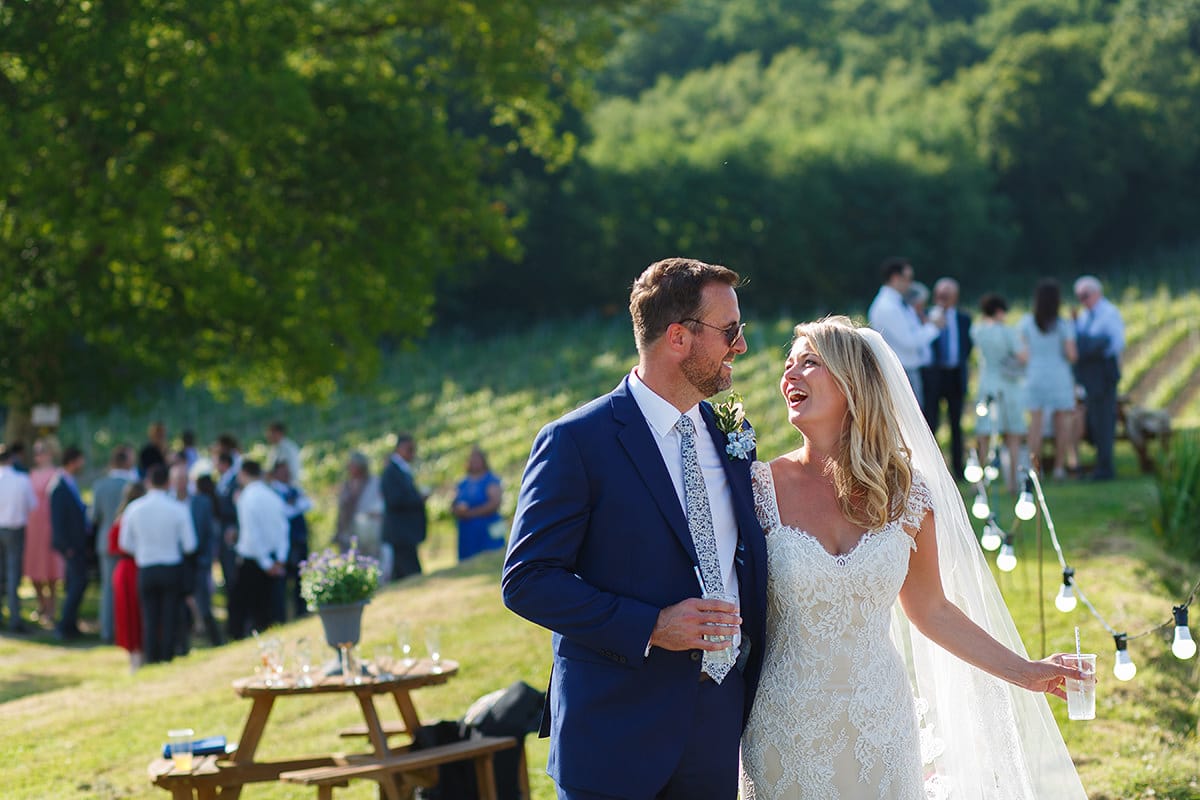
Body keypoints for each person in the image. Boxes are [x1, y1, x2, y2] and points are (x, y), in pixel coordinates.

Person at [739, 315, 1087, 799]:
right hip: (785, 730)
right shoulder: (757, 489)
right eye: (789, 365)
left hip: (881, 728)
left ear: (853, 384)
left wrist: (1026, 672)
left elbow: (932, 611)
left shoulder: (905, 496)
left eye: (810, 363)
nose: (789, 376)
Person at [503, 257, 769, 800]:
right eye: (730, 330)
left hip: (715, 727)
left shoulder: (732, 433)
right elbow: (527, 579)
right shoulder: (577, 442)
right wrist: (651, 625)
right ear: (678, 337)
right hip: (613, 734)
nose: (740, 346)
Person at [119, 463, 196, 663]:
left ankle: (152, 656)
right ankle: (167, 655)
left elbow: (125, 543)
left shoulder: (134, 509)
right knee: (169, 615)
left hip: (146, 566)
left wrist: (143, 551)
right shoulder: (178, 509)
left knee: (149, 617)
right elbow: (190, 545)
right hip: (171, 567)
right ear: (168, 483)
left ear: (148, 482)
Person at [1019, 279, 1079, 480]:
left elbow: (1023, 354)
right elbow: (1072, 355)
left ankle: (1036, 468)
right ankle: (1060, 467)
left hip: (1035, 374)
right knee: (1062, 422)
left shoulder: (1026, 323)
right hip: (1058, 375)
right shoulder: (1062, 325)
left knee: (1035, 424)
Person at [970, 293, 1028, 493]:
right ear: (1000, 311)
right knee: (1012, 436)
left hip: (987, 383)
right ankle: (1012, 481)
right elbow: (1022, 356)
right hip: (1008, 385)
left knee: (985, 436)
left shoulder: (978, 331)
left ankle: (979, 483)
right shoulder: (1008, 332)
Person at [227, 460, 289, 640]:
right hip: (272, 557)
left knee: (248, 610)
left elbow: (252, 532)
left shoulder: (246, 498)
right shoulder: (273, 495)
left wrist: (266, 563)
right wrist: (280, 558)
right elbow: (282, 529)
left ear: (244, 473)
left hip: (253, 560)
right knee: (268, 609)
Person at [867, 257, 942, 405]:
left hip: (907, 370)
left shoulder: (898, 303)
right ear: (895, 278)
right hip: (900, 372)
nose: (910, 283)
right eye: (908, 278)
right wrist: (934, 327)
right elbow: (909, 341)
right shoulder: (887, 306)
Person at [1073, 275, 1125, 481]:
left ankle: (1105, 467)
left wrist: (1087, 346)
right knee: (1094, 420)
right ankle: (1100, 465)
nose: (1082, 300)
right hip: (1089, 374)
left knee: (1104, 419)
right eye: (1079, 296)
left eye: (1085, 295)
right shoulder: (1085, 317)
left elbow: (1113, 343)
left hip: (1103, 373)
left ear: (1096, 293)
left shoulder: (1109, 313)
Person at [169, 463, 223, 650]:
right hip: (176, 561)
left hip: (198, 560)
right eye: (177, 480)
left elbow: (210, 533)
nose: (181, 484)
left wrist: (207, 559)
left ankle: (216, 641)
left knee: (203, 604)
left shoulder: (202, 502)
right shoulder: (168, 504)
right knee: (178, 607)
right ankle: (181, 645)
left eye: (184, 479)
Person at [923, 277, 973, 477]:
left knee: (956, 425)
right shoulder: (926, 315)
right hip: (933, 375)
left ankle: (959, 471)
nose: (943, 297)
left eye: (948, 293)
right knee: (930, 423)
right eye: (941, 293)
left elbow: (967, 346)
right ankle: (931, 470)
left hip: (955, 375)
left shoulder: (963, 318)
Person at [90, 445, 136, 644]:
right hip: (129, 544)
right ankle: (125, 628)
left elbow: (94, 517)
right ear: (126, 462)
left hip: (106, 541)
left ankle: (107, 630)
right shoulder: (133, 484)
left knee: (108, 588)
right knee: (128, 588)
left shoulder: (100, 485)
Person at [109, 482, 148, 672]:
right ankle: (137, 654)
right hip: (133, 567)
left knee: (131, 611)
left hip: (125, 568)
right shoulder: (132, 518)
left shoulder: (121, 518)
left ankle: (136, 655)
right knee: (133, 612)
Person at [51, 445, 89, 641]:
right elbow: (58, 521)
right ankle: (64, 625)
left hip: (77, 544)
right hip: (70, 546)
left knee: (78, 583)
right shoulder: (58, 486)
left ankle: (71, 624)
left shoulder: (69, 482)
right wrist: (66, 547)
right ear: (73, 461)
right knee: (77, 583)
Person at [23, 439, 62, 626]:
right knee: (33, 568)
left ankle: (52, 607)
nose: (38, 455)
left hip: (50, 524)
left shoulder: (57, 474)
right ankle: (42, 604)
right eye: (36, 451)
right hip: (33, 526)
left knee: (51, 567)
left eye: (42, 451)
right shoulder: (30, 474)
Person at [0, 445, 38, 632]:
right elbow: (32, 504)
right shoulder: (21, 480)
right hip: (15, 529)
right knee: (13, 574)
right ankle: (15, 618)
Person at [269, 459, 312, 621]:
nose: (287, 474)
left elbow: (307, 504)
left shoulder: (294, 489)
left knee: (301, 575)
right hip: (285, 541)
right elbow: (284, 512)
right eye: (283, 471)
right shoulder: (274, 493)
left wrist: (295, 504)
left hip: (300, 538)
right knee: (285, 577)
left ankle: (302, 609)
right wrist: (294, 505)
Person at [381, 434, 427, 581]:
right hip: (400, 532)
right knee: (411, 573)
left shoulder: (400, 470)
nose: (412, 453)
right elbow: (394, 499)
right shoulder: (391, 472)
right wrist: (417, 499)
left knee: (402, 573)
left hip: (404, 532)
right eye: (409, 449)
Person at [452, 446, 504, 561]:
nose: (475, 463)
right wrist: (458, 510)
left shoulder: (491, 479)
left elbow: (495, 503)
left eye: (477, 460)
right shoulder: (462, 483)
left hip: (488, 527)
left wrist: (472, 513)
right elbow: (454, 503)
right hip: (467, 531)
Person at [334, 451, 384, 561]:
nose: (350, 468)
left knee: (371, 558)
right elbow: (341, 510)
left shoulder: (374, 482)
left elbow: (381, 504)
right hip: (348, 529)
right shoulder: (347, 485)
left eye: (353, 465)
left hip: (369, 530)